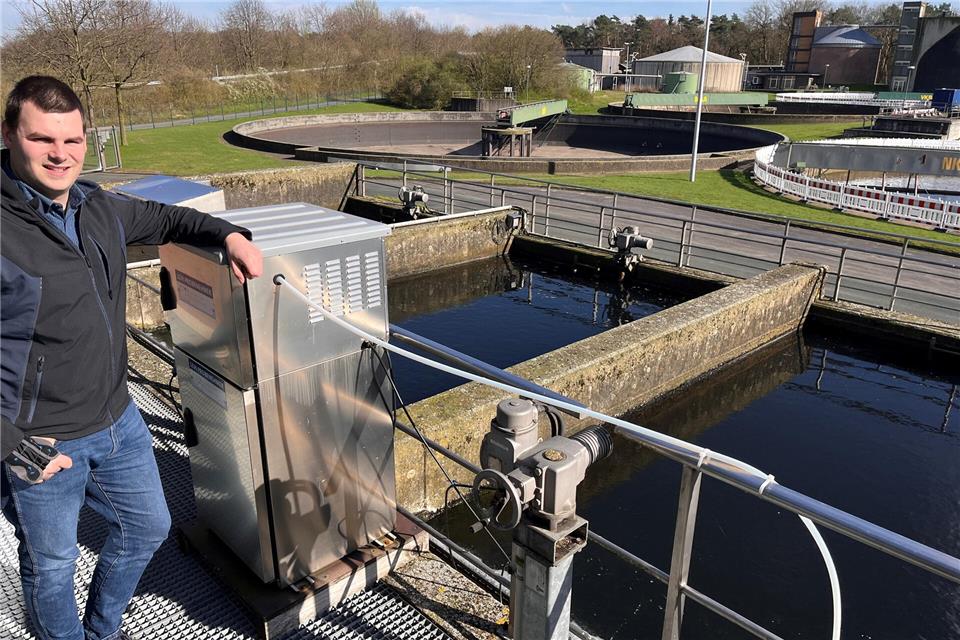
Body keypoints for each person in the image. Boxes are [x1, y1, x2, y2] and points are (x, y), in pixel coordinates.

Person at [0, 75, 263, 640]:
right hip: (41, 440)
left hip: (119, 420)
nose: (60, 154)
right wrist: (10, 442)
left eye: (72, 140)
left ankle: (103, 629)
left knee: (147, 528)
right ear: (8, 135)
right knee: (51, 568)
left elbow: (170, 220)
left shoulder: (97, 206)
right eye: (42, 139)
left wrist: (230, 235)